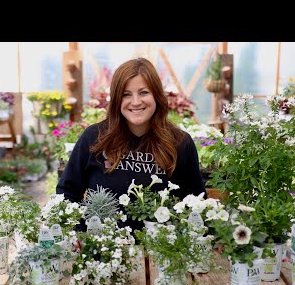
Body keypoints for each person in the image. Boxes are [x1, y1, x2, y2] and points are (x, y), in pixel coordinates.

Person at [56, 57, 206, 230]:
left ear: (156, 95)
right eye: (126, 94)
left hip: (160, 249)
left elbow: (196, 201)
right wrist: (82, 234)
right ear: (117, 99)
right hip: (105, 249)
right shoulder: (95, 137)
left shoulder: (179, 143)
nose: (135, 102)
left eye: (143, 92)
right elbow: (67, 192)